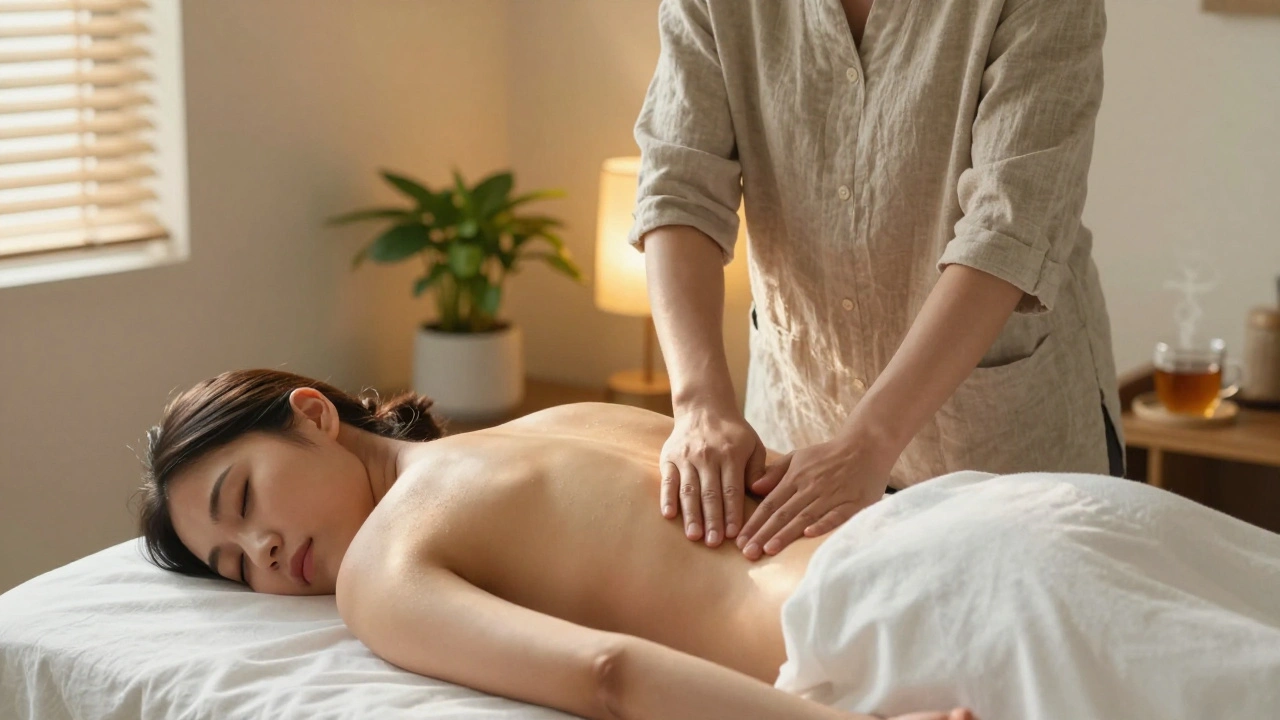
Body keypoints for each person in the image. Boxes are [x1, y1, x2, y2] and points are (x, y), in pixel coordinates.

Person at [137, 369, 970, 720]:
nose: (266, 551)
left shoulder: (380, 570)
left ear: (314, 415)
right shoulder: (566, 418)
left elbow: (606, 675)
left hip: (885, 623)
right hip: (961, 523)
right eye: (237, 566)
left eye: (243, 500)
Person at [630, 0, 1125, 560]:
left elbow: (1008, 229)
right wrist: (699, 403)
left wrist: (868, 441)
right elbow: (679, 190)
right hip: (795, 431)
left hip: (1000, 448)